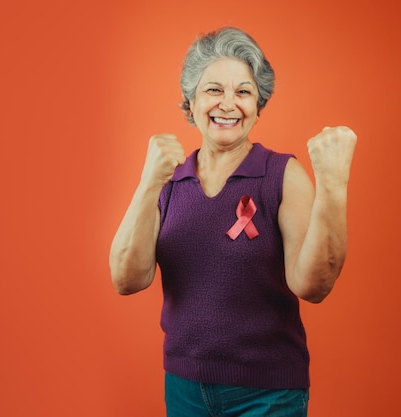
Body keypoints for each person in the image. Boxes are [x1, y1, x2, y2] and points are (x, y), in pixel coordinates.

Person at [110, 27, 357, 417]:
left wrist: (333, 184)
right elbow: (127, 278)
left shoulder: (282, 175)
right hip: (183, 387)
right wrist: (147, 183)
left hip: (268, 393)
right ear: (189, 103)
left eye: (243, 92)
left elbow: (313, 286)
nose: (229, 104)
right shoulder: (168, 180)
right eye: (213, 90)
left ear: (258, 106)